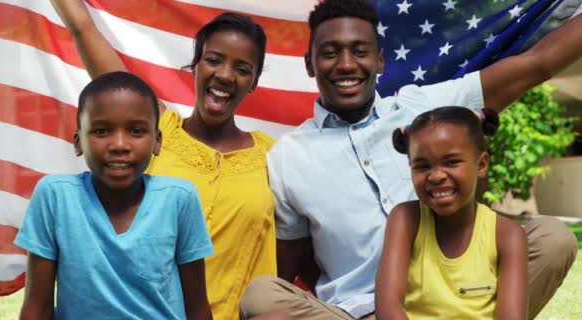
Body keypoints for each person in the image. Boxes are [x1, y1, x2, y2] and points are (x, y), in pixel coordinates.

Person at [239, 0, 580, 319]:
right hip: (359, 311)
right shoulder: (287, 156)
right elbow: (295, 263)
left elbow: (537, 63)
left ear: (380, 61)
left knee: (553, 237)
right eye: (330, 53)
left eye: (360, 52)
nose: (346, 64)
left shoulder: (421, 108)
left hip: (459, 298)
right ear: (310, 64)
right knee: (263, 295)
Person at [49, 1, 277, 319]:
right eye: (214, 60)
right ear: (195, 65)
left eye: (242, 69)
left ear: (253, 81)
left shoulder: (273, 157)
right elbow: (83, 29)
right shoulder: (154, 133)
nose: (225, 75)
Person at [14, 71, 213, 319]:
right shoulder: (55, 197)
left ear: (157, 142)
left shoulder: (179, 199)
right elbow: (37, 307)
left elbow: (197, 307)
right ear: (78, 142)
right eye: (101, 131)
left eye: (137, 131)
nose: (119, 144)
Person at [375, 107, 527, 319]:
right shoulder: (405, 220)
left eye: (451, 162)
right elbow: (389, 308)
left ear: (481, 165)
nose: (436, 176)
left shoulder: (508, 235)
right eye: (421, 166)